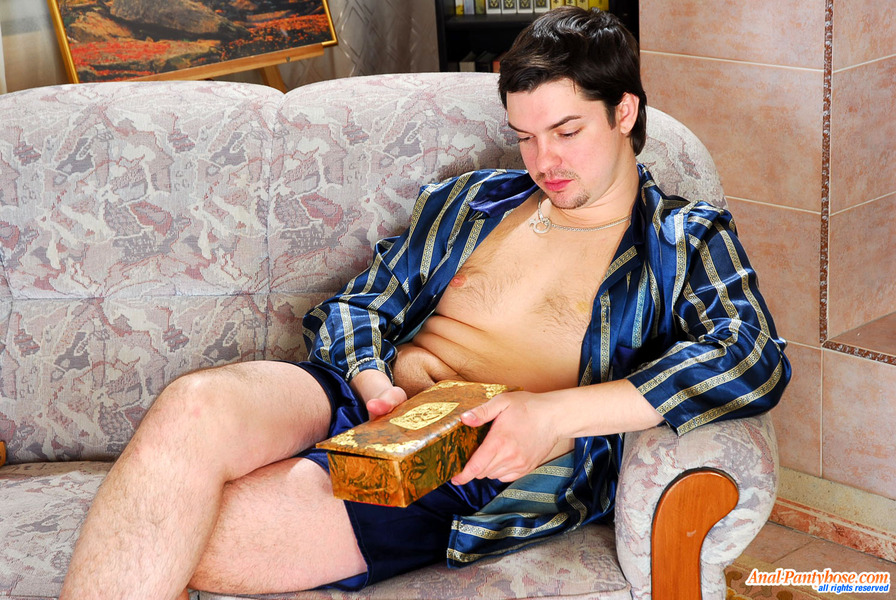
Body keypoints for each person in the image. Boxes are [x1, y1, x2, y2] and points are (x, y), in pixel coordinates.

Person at [60, 7, 791, 600]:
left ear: (624, 111)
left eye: (567, 132)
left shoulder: (682, 238)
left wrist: (556, 415)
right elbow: (359, 306)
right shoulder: (473, 201)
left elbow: (751, 356)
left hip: (466, 464)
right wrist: (372, 380)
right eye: (526, 137)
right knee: (192, 408)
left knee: (188, 527)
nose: (544, 162)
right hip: (361, 397)